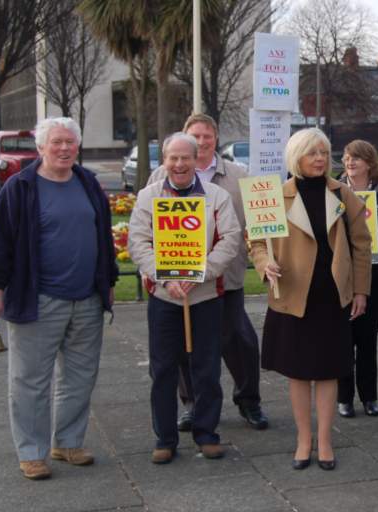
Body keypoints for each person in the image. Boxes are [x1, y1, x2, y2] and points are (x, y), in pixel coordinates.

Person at [0, 117, 119, 480]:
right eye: (56, 142)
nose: (64, 148)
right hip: (37, 300)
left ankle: (68, 443)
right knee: (30, 382)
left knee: (80, 377)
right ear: (41, 147)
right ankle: (32, 452)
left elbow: (102, 236)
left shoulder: (87, 182)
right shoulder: (21, 188)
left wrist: (110, 280)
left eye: (70, 142)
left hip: (86, 299)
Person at [249, 128, 371, 471]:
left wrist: (361, 290)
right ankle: (304, 440)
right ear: (296, 157)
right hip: (292, 295)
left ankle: (326, 441)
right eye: (312, 152)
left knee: (330, 371)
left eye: (323, 152)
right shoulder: (274, 195)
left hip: (332, 297)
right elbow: (257, 242)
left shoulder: (343, 194)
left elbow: (362, 245)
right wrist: (264, 263)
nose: (320, 158)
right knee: (299, 373)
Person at [146, 113, 269, 431]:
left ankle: (249, 401)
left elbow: (257, 225)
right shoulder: (160, 176)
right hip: (180, 281)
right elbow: (148, 225)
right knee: (187, 344)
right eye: (195, 136)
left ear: (216, 139)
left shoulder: (239, 175)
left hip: (225, 278)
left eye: (207, 136)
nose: (201, 142)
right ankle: (193, 404)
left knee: (239, 340)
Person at [128, 132, 242, 464]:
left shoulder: (217, 196)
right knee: (162, 369)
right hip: (164, 298)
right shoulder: (148, 197)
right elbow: (138, 241)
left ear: (196, 160)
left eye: (186, 158)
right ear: (164, 160)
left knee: (206, 368)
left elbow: (231, 239)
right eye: (173, 158)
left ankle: (207, 433)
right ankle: (165, 438)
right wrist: (165, 277)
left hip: (205, 296)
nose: (179, 164)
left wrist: (201, 272)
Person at [336, 140, 378, 418]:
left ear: (369, 163)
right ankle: (344, 398)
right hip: (342, 277)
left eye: (357, 159)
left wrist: (377, 250)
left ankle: (369, 397)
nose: (350, 163)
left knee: (368, 338)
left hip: (375, 275)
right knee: (343, 339)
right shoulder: (335, 193)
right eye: (347, 157)